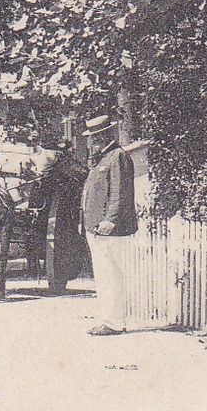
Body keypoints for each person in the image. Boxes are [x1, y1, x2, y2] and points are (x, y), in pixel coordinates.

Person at [80, 114, 138, 336]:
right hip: (95, 227)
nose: (92, 142)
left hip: (110, 229)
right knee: (103, 274)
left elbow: (120, 193)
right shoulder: (101, 159)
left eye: (95, 137)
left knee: (111, 273)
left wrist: (110, 220)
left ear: (105, 136)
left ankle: (113, 322)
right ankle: (107, 318)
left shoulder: (118, 157)